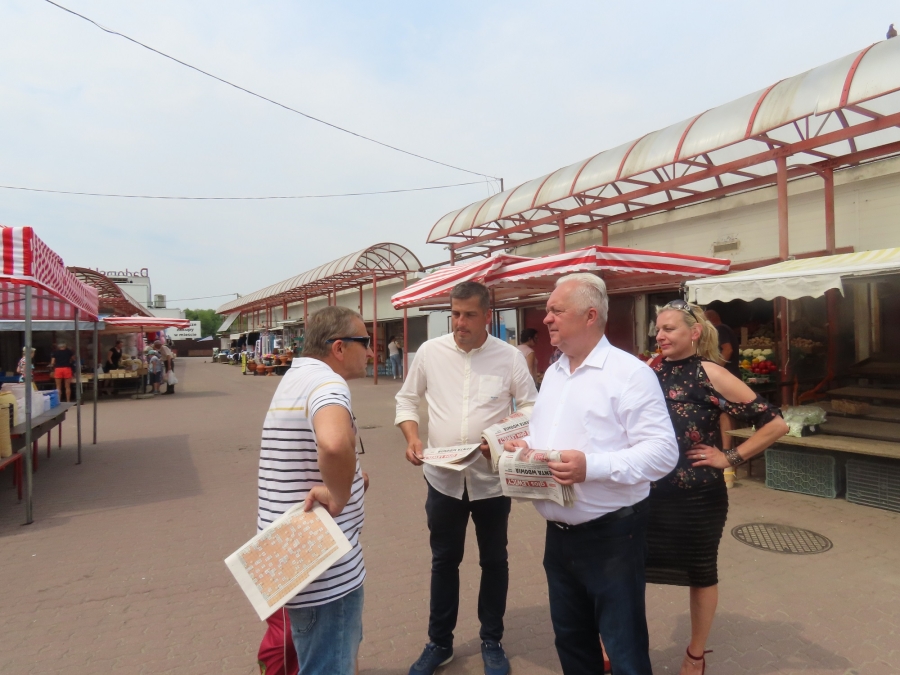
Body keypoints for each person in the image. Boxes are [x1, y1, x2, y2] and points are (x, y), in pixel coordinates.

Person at [504, 273, 679, 675]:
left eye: (556, 310)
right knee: (571, 641)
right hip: (558, 536)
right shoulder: (555, 371)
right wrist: (524, 445)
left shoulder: (630, 374)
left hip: (612, 535)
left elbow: (663, 453)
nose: (546, 319)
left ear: (589, 316)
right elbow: (552, 432)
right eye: (547, 311)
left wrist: (591, 467)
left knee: (623, 647)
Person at [395, 281, 538, 675]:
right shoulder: (430, 352)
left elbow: (531, 406)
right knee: (444, 561)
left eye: (469, 315)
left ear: (487, 315)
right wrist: (412, 437)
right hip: (442, 479)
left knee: (494, 560)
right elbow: (406, 398)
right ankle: (439, 643)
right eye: (455, 314)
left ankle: (492, 640)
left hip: (491, 481)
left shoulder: (509, 357)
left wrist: (504, 436)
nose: (460, 322)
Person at [649, 300, 788, 674]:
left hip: (697, 496)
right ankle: (619, 642)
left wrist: (731, 457)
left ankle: (695, 655)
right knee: (630, 570)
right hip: (646, 494)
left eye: (669, 329)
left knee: (700, 573)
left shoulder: (710, 372)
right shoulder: (649, 370)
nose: (660, 336)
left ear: (694, 332)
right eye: (658, 329)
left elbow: (775, 423)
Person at [258, 305, 372, 675]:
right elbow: (334, 443)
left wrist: (350, 479)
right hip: (325, 569)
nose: (371, 351)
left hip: (295, 557)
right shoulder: (328, 384)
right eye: (365, 342)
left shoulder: (297, 376)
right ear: (339, 348)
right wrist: (339, 496)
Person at [703, 310, 740, 377]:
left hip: (727, 375)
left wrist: (716, 368)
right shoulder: (725, 328)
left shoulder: (720, 329)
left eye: (704, 320)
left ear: (710, 319)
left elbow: (727, 350)